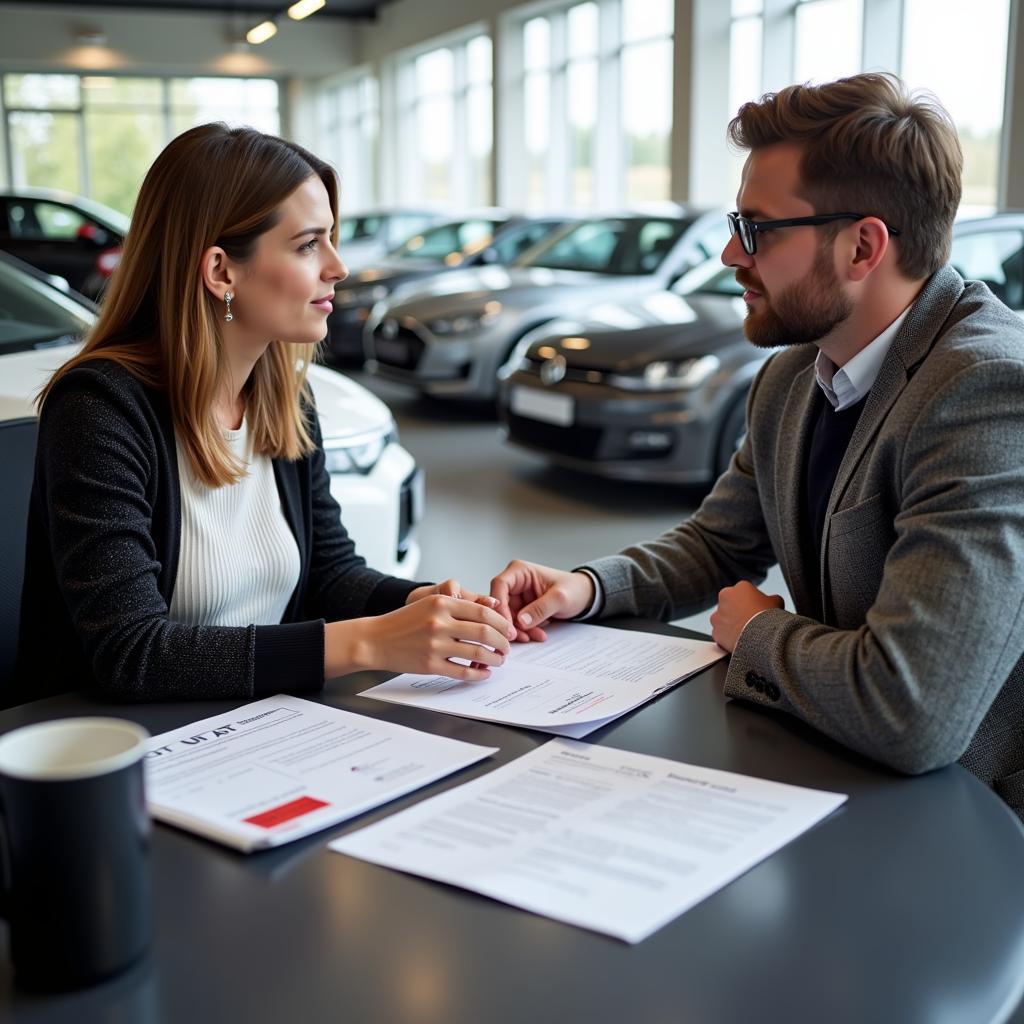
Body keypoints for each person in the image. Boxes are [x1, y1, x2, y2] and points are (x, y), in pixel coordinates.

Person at [490, 73, 1024, 820]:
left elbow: (914, 708)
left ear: (863, 246)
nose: (728, 258)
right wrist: (587, 587)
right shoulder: (794, 373)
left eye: (755, 230)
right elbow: (721, 542)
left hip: (975, 829)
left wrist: (757, 633)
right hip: (844, 771)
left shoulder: (988, 391)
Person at [15, 123, 513, 704]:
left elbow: (329, 573)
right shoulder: (100, 409)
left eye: (332, 238)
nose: (338, 267)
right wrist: (373, 641)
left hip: (261, 728)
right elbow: (133, 653)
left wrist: (421, 608)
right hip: (123, 752)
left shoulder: (285, 396)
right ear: (222, 271)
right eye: (308, 245)